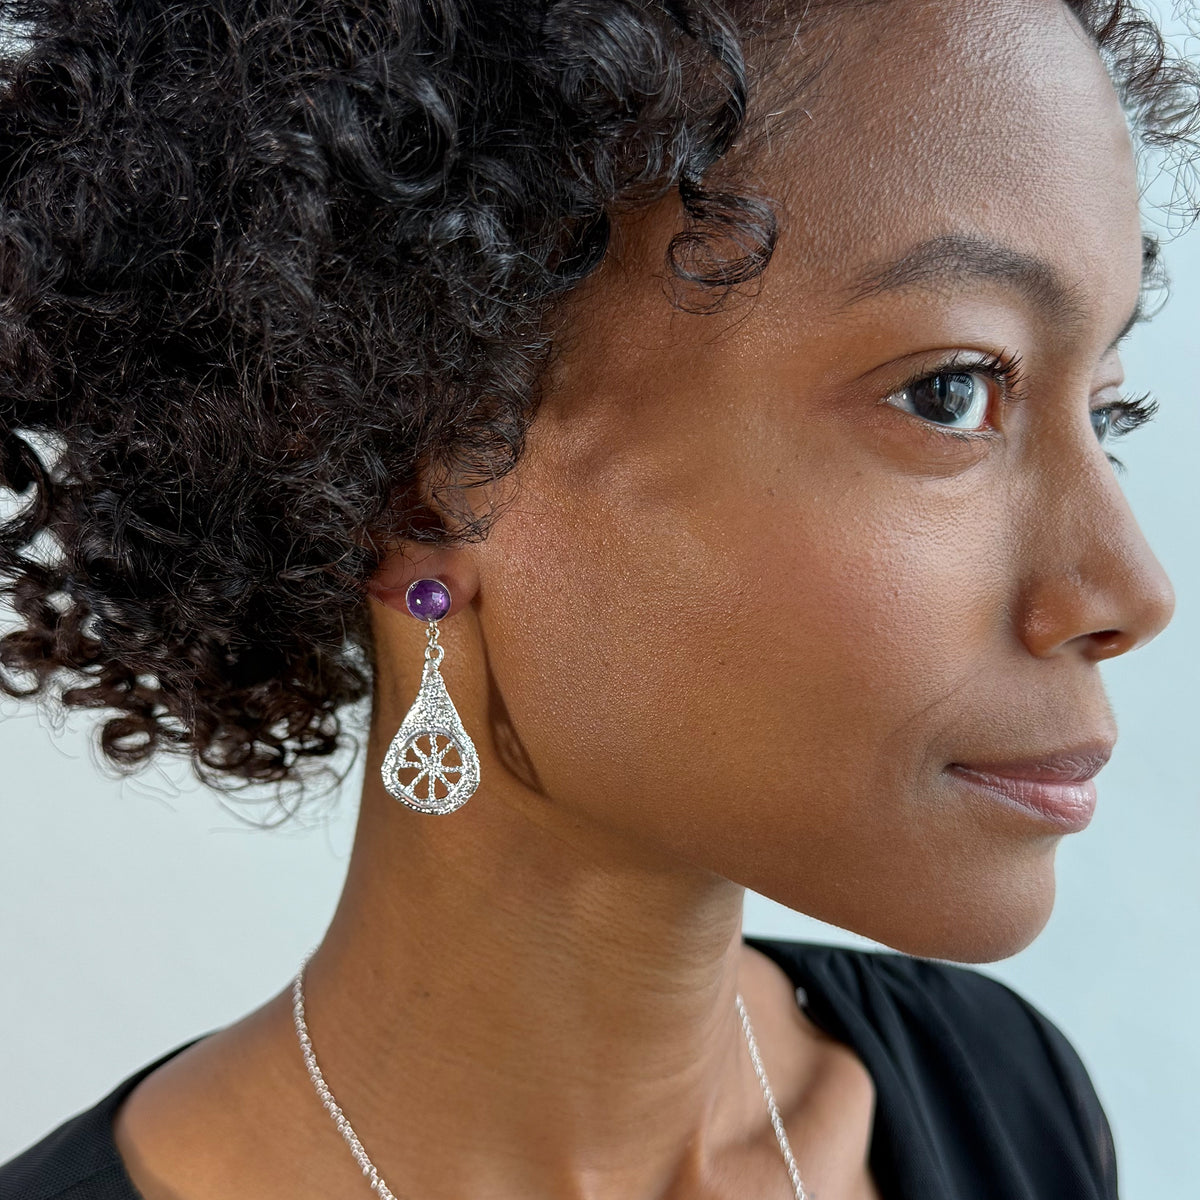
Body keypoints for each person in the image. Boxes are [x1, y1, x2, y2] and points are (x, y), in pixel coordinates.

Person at [0, 0, 1196, 1197]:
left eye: (1106, 411)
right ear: (427, 487)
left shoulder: (1005, 1092)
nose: (1134, 592)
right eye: (949, 392)